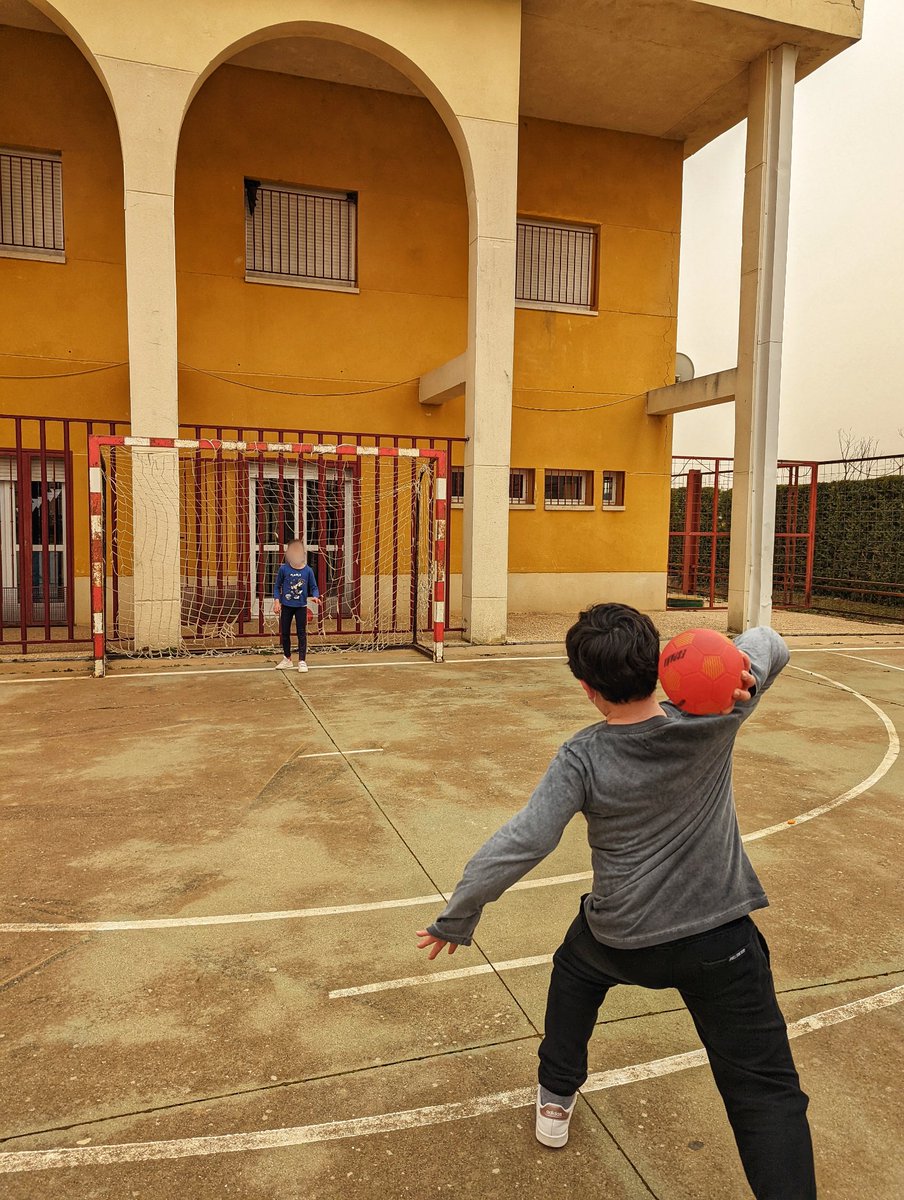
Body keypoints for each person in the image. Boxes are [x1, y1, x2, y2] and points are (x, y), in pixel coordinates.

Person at [416, 603, 815, 1200]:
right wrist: (742, 671)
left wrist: (459, 915)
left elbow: (524, 840)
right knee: (766, 1092)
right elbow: (771, 641)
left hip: (623, 941)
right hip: (720, 942)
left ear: (586, 688)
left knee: (573, 970)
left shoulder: (583, 756)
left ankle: (555, 1098)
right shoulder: (717, 713)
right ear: (657, 665)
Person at [272, 539, 319, 673]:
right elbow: (277, 587)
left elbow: (314, 587)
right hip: (286, 606)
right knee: (285, 633)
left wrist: (315, 596)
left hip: (301, 606)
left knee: (301, 633)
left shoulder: (308, 571)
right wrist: (277, 602)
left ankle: (302, 660)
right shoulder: (284, 569)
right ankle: (287, 658)